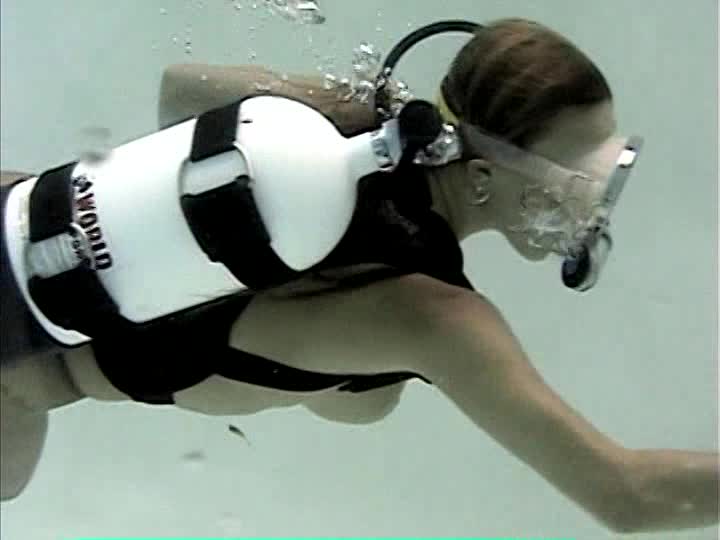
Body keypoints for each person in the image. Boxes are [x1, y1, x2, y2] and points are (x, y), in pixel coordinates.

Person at [1, 17, 717, 535]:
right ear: (482, 178)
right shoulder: (441, 323)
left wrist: (366, 105)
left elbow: (180, 90)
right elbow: (628, 496)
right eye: (578, 188)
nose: (589, 215)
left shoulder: (335, 143)